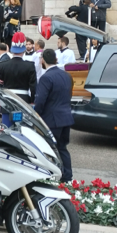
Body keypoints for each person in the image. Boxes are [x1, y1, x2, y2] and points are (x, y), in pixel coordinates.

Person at [34, 49, 74, 182]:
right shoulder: (66, 75)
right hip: (66, 116)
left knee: (49, 149)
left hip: (51, 119)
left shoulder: (46, 77)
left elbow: (40, 100)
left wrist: (36, 115)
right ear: (56, 59)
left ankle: (51, 176)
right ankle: (67, 177)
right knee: (62, 148)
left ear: (43, 60)